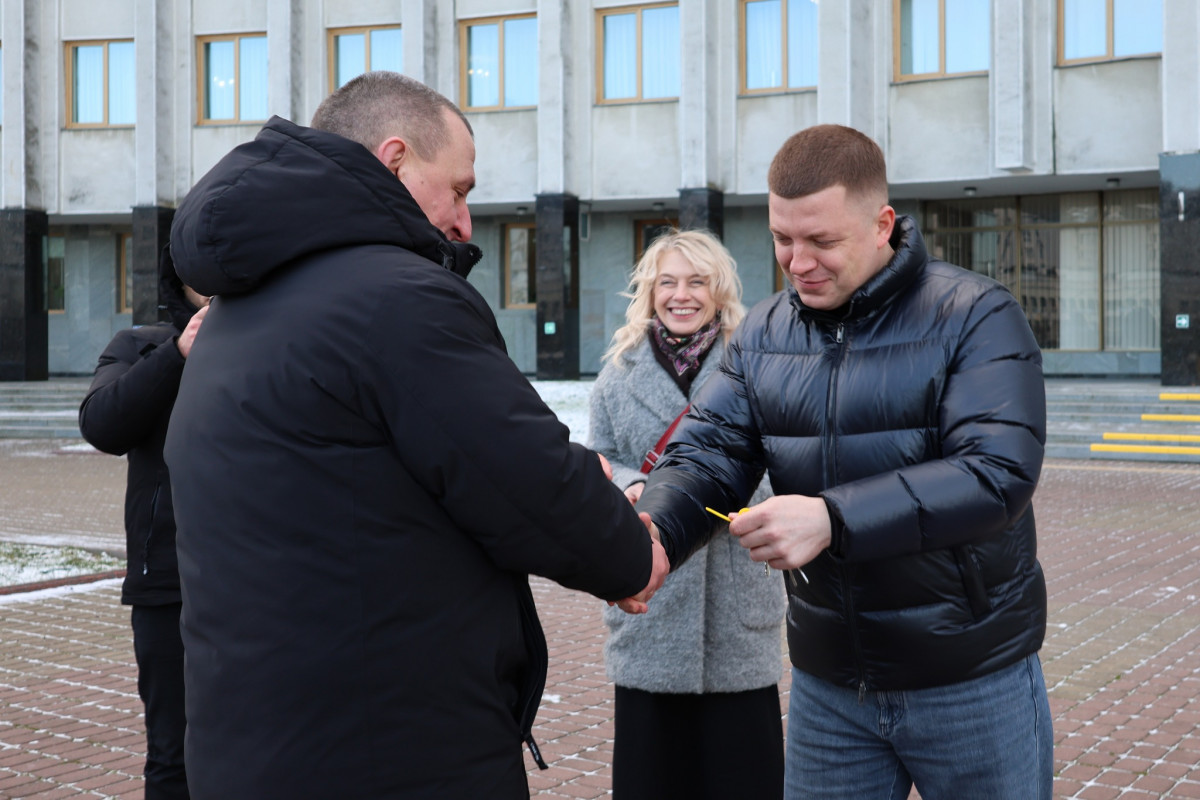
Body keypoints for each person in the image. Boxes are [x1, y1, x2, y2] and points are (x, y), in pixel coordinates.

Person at [162, 71, 667, 800]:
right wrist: (628, 556)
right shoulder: (396, 299)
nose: (465, 222)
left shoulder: (241, 306)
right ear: (396, 160)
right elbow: (519, 478)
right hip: (389, 747)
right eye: (458, 189)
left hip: (252, 739)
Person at [635, 124, 1052, 799]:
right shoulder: (763, 334)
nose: (798, 263)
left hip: (971, 677)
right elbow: (707, 454)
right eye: (782, 240)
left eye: (822, 241)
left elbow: (995, 473)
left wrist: (831, 518)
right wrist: (653, 530)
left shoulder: (975, 314)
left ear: (882, 223)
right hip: (831, 687)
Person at [587, 229, 784, 799]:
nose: (682, 295)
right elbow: (602, 460)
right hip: (653, 601)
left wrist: (713, 497)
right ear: (650, 292)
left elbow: (780, 462)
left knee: (745, 778)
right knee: (653, 779)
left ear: (719, 291)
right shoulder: (616, 375)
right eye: (667, 282)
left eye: (697, 281)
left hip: (736, 599)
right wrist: (637, 485)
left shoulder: (756, 367)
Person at [78, 249, 210, 800]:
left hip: (264, 585)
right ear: (180, 274)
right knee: (174, 753)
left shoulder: (273, 336)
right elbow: (103, 424)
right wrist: (179, 352)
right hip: (170, 587)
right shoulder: (140, 345)